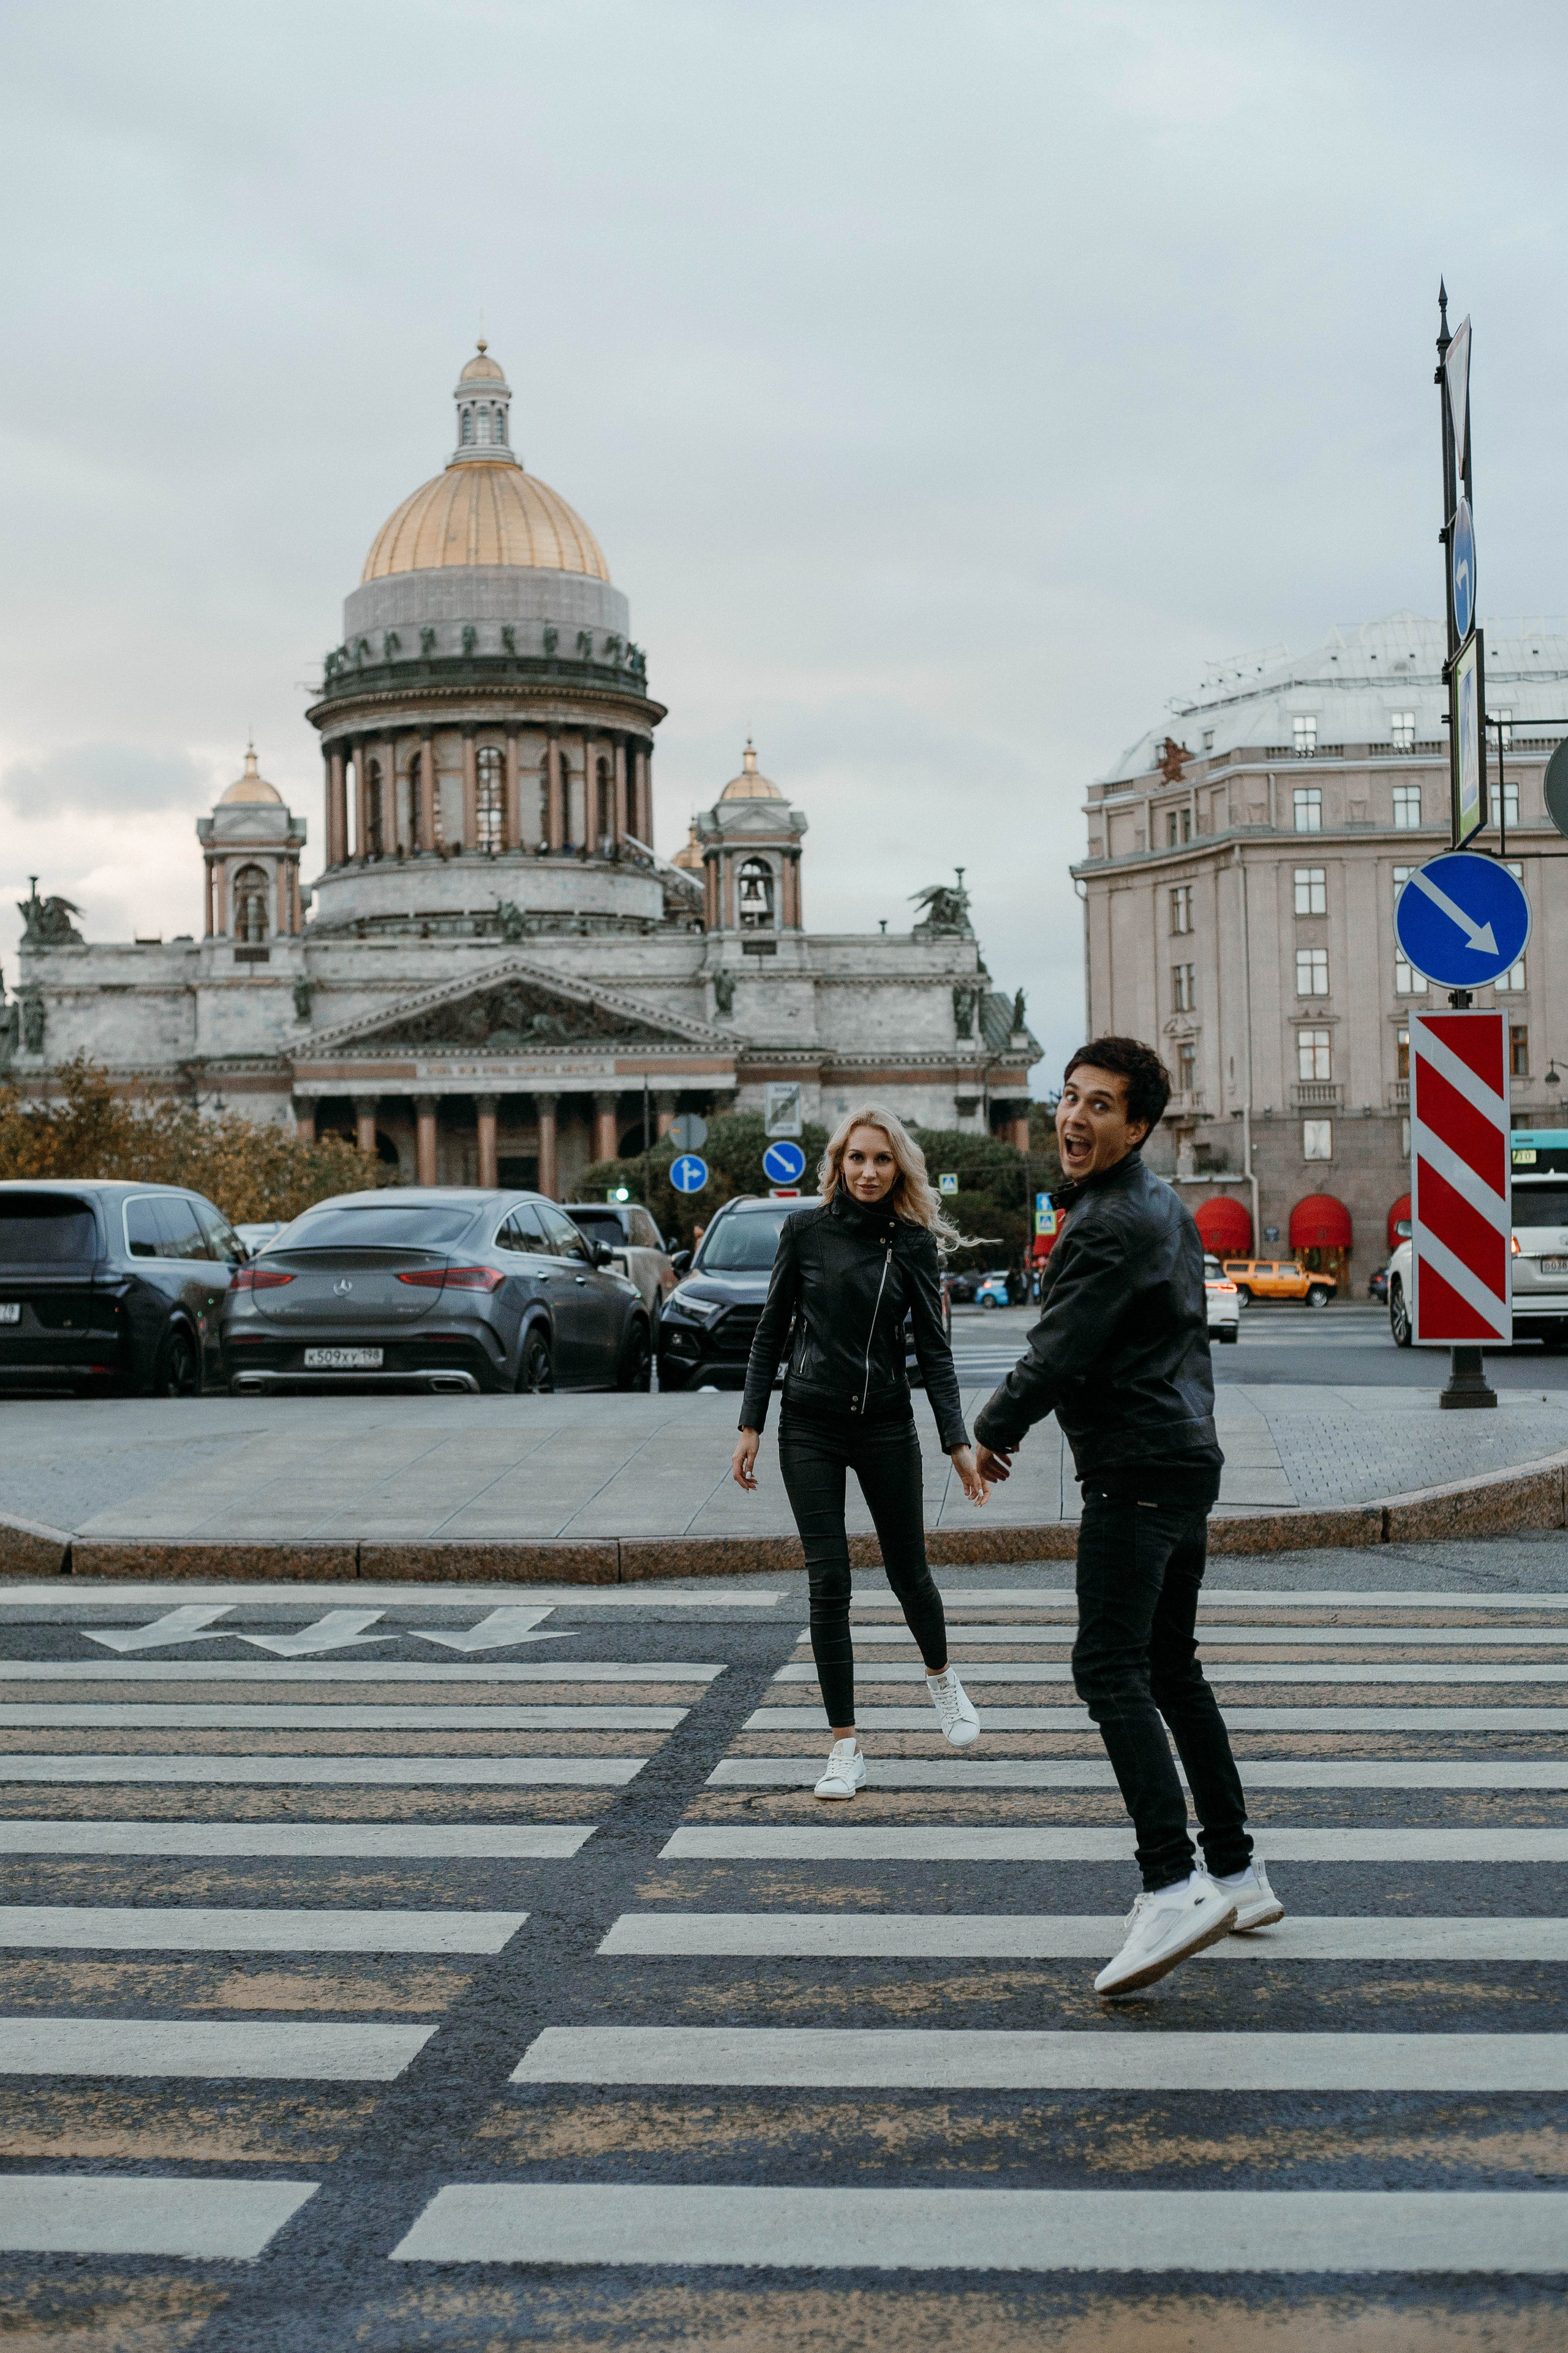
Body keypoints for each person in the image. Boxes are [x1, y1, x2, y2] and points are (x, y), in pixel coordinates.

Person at [973, 1037, 1283, 1996]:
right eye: (1068, 1099)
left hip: (1138, 1469)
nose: (1073, 1118)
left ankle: (1173, 1879)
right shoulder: (1158, 1204)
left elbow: (1059, 1348)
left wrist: (992, 1428)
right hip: (1184, 1458)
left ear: (1139, 1125)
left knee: (1107, 1667)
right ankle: (1236, 1868)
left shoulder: (1107, 1222)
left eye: (1100, 1105)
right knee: (1169, 1666)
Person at [731, 1104, 989, 1797]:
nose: (868, 1171)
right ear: (837, 1165)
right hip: (808, 1424)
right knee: (829, 1583)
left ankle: (940, 1677)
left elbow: (935, 1355)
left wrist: (957, 1442)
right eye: (856, 1158)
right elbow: (769, 1333)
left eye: (881, 1159)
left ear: (896, 1166)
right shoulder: (803, 1231)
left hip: (884, 1424)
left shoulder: (911, 1243)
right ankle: (845, 1745)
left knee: (909, 1570)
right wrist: (750, 1422)